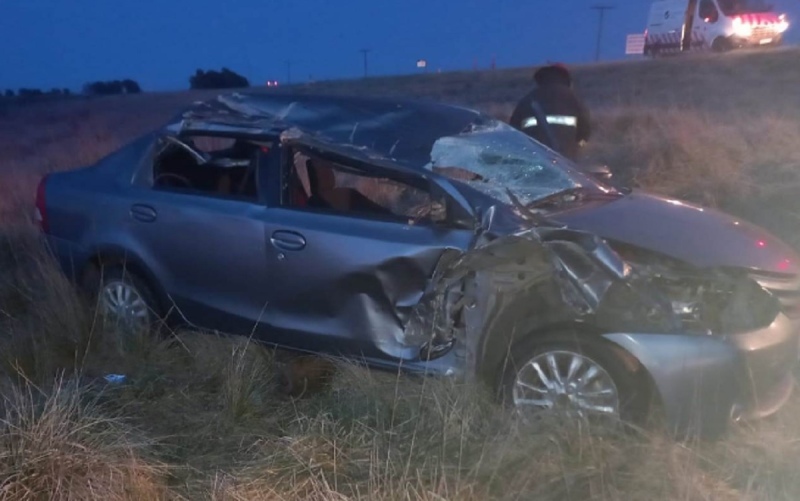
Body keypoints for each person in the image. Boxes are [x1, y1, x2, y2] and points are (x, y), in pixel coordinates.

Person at [509, 63, 591, 162]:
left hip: (534, 161)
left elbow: (513, 130)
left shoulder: (528, 99)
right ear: (566, 79)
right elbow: (586, 130)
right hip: (565, 163)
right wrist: (575, 148)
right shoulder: (573, 99)